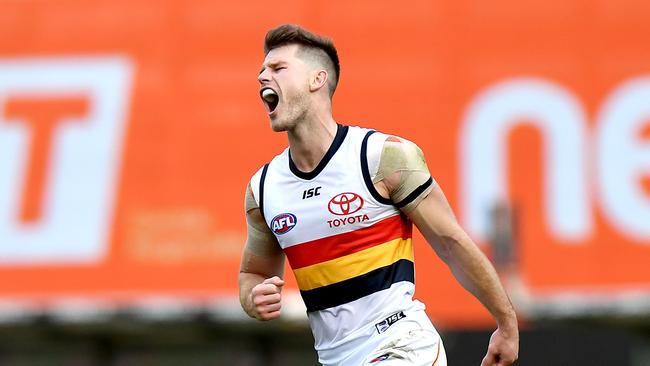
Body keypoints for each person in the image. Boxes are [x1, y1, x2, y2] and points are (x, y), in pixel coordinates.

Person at [239, 24, 519, 366]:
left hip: (402, 344)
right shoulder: (264, 189)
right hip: (335, 358)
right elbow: (253, 274)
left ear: (317, 80)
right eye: (262, 71)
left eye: (278, 68)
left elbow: (452, 243)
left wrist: (506, 323)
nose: (262, 77)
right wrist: (252, 299)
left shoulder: (382, 158)